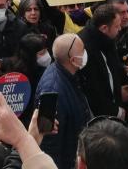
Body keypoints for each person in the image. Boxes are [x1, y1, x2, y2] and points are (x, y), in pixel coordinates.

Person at [35, 34, 93, 169]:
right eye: (82, 50)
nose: (85, 53)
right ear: (73, 60)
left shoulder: (68, 73)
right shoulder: (52, 91)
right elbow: (50, 144)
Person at [77, 4, 125, 117]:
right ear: (104, 28)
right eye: (117, 26)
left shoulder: (107, 38)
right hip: (101, 115)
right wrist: (115, 111)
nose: (120, 29)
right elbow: (93, 90)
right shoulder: (84, 48)